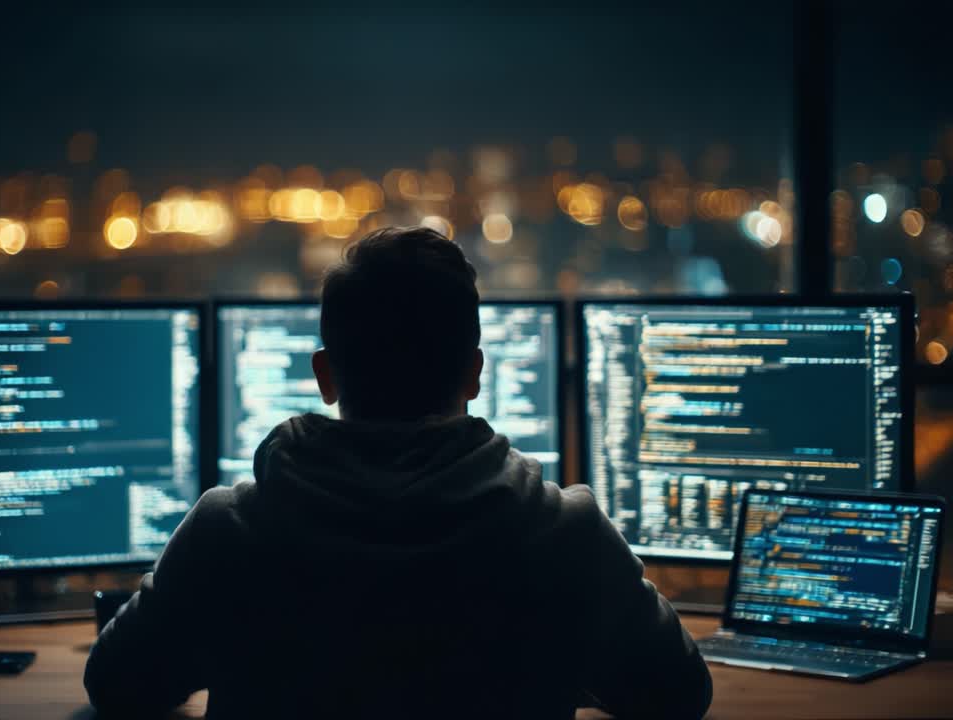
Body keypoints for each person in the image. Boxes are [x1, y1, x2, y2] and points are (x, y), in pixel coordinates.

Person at [84, 226, 712, 719]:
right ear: (474, 372)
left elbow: (115, 685)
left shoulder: (230, 528)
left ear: (325, 377)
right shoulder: (566, 532)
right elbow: (680, 692)